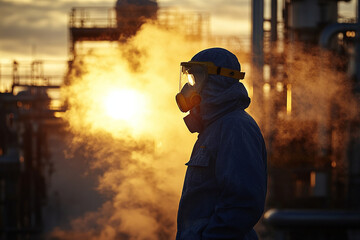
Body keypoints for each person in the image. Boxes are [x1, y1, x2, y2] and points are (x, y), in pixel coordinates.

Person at [175, 48, 267, 240]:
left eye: (196, 79)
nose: (190, 87)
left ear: (217, 80)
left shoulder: (235, 127)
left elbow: (242, 203)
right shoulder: (212, 128)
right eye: (190, 79)